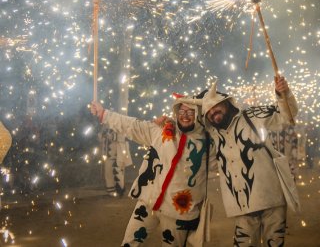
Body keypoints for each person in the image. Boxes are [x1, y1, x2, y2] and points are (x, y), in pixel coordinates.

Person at [90, 94, 215, 247]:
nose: (185, 116)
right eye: (182, 112)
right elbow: (132, 125)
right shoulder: (161, 131)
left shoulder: (208, 143)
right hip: (148, 202)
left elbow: (229, 157)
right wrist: (104, 114)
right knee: (129, 244)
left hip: (179, 212)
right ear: (176, 113)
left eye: (191, 112)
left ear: (198, 115)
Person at [201, 76, 298, 246]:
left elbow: (286, 114)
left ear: (227, 103)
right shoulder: (212, 136)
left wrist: (283, 93)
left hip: (272, 198)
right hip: (241, 206)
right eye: (208, 111)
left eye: (215, 107)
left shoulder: (252, 115)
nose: (212, 112)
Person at [98, 123, 132, 197]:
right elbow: (101, 138)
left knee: (118, 172)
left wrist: (113, 136)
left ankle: (120, 190)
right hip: (108, 155)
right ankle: (111, 190)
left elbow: (125, 137)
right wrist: (102, 136)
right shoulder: (104, 127)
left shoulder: (119, 125)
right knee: (108, 172)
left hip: (118, 155)